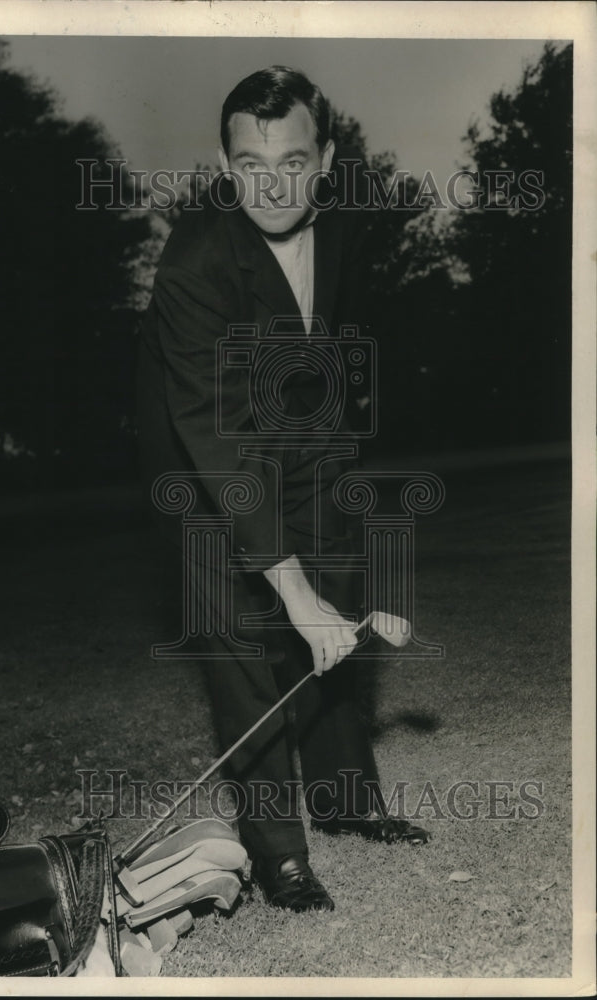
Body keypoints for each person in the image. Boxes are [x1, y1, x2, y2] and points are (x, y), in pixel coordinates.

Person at [136, 66, 428, 913]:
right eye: (251, 165)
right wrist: (286, 585)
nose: (273, 185)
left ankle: (345, 802)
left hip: (300, 434)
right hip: (200, 466)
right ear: (227, 166)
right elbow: (215, 441)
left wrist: (339, 513)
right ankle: (278, 856)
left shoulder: (344, 224)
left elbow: (334, 349)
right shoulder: (193, 265)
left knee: (335, 605)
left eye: (293, 162)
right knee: (243, 642)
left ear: (326, 158)